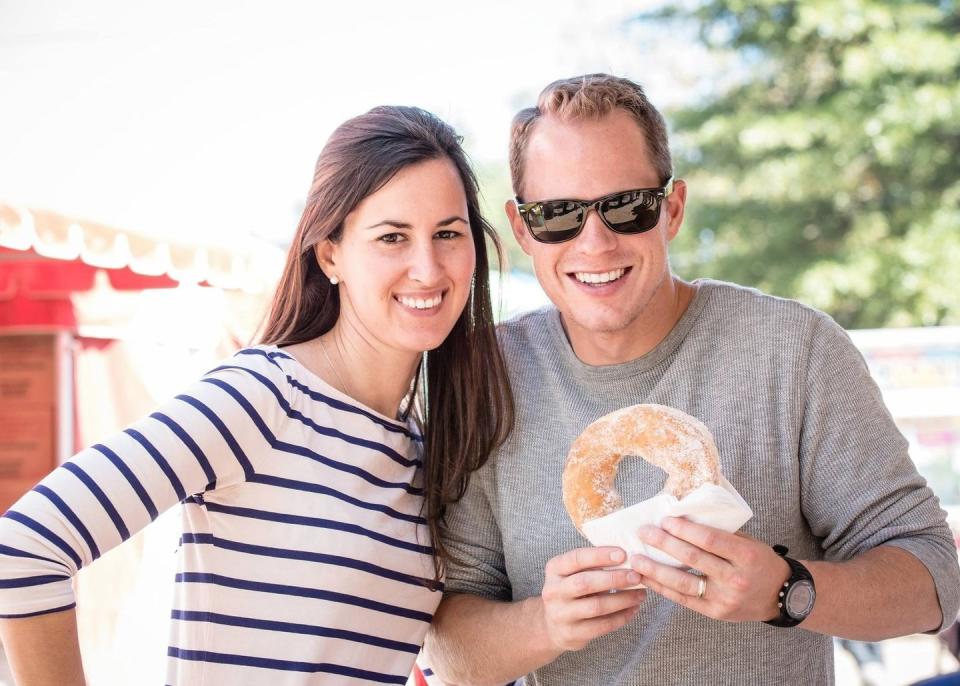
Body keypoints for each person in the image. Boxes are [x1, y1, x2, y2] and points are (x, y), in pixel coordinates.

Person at [423, 74, 960, 685]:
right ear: (522, 229)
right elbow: (451, 657)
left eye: (627, 207)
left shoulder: (794, 350)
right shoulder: (485, 381)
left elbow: (936, 580)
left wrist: (788, 592)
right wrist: (543, 625)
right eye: (558, 216)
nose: (594, 243)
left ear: (672, 209)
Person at [0, 105, 513, 685]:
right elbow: (26, 547)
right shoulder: (263, 397)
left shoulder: (425, 447)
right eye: (392, 237)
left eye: (448, 233)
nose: (427, 267)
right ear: (331, 256)